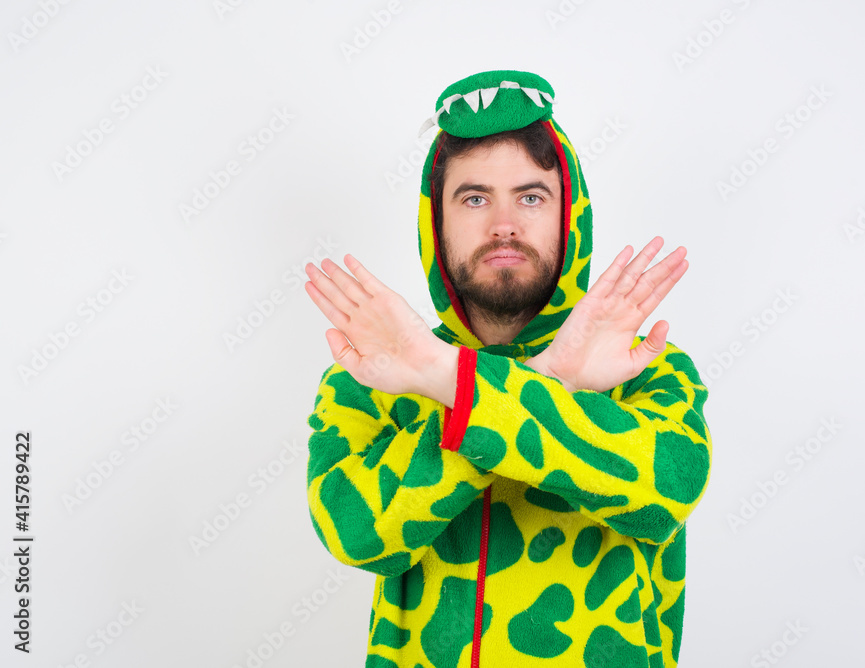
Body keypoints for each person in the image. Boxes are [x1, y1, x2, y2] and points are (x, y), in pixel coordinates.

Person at [303, 69, 712, 668]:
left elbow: (666, 496)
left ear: (568, 215)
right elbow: (356, 533)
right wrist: (552, 382)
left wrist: (449, 382)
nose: (504, 224)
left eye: (530, 196)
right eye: (474, 198)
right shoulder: (372, 370)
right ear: (435, 224)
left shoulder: (642, 364)